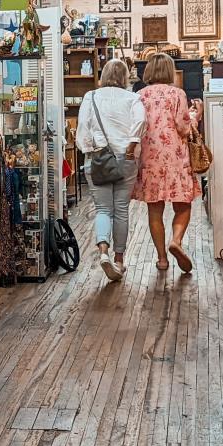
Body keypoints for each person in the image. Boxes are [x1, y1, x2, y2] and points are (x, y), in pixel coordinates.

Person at [76, 59, 145, 281]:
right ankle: (119, 260)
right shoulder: (133, 98)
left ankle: (103, 252)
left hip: (98, 158)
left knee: (103, 209)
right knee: (122, 210)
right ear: (125, 77)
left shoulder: (91, 97)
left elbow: (83, 128)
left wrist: (89, 149)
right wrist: (131, 144)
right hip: (125, 158)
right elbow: (141, 121)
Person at [133, 53, 201, 273]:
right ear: (170, 71)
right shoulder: (177, 94)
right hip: (175, 158)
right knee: (183, 206)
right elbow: (183, 127)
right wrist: (196, 116)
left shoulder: (139, 95)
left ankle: (162, 259)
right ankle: (176, 241)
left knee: (155, 211)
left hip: (150, 158)